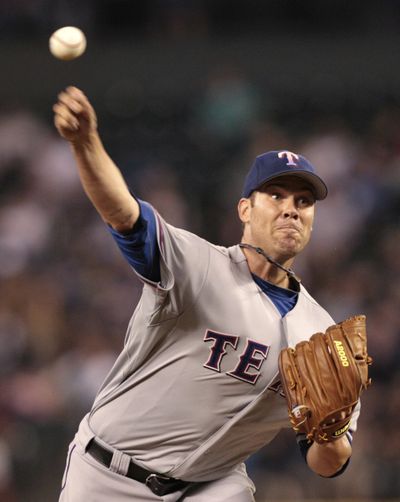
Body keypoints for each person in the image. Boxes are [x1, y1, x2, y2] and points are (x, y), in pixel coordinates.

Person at [54, 86, 355, 502]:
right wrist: (86, 144)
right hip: (109, 472)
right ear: (245, 210)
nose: (291, 208)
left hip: (213, 487)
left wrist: (332, 431)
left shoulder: (321, 333)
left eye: (304, 201)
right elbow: (122, 213)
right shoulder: (198, 265)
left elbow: (327, 464)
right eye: (276, 195)